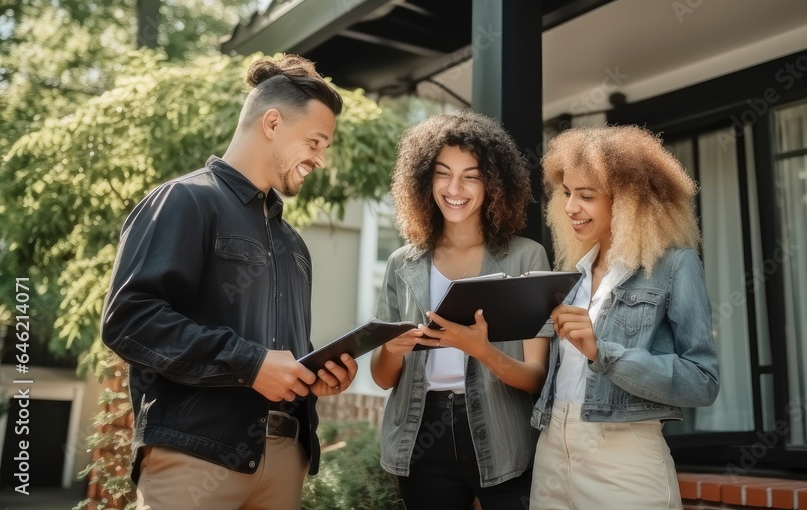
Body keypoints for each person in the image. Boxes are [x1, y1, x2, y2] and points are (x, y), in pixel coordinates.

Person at [101, 55, 358, 510]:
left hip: (284, 459)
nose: (320, 159)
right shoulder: (184, 201)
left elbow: (277, 352)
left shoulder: (294, 244)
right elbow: (130, 320)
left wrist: (314, 375)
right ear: (272, 122)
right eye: (315, 142)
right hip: (194, 455)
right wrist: (251, 363)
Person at [529, 125, 720, 510]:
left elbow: (703, 381)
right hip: (552, 450)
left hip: (623, 459)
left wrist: (605, 353)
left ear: (630, 201)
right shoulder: (570, 274)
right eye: (566, 193)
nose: (570, 208)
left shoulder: (675, 266)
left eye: (586, 195)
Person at [370, 110, 550, 509]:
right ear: (423, 179)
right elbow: (383, 379)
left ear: (494, 183)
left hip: (503, 432)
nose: (455, 187)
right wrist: (392, 350)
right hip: (420, 435)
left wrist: (481, 350)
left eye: (471, 175)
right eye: (442, 172)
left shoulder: (527, 258)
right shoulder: (403, 263)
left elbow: (537, 379)